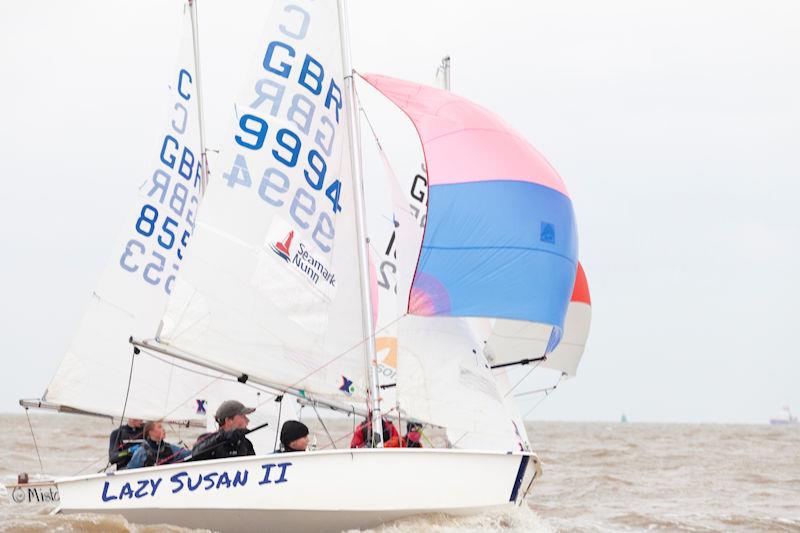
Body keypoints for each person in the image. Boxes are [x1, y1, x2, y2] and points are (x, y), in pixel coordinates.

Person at [190, 400, 256, 461]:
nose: (247, 420)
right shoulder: (209, 439)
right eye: (243, 416)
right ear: (229, 420)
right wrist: (223, 436)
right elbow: (195, 455)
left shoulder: (246, 444)